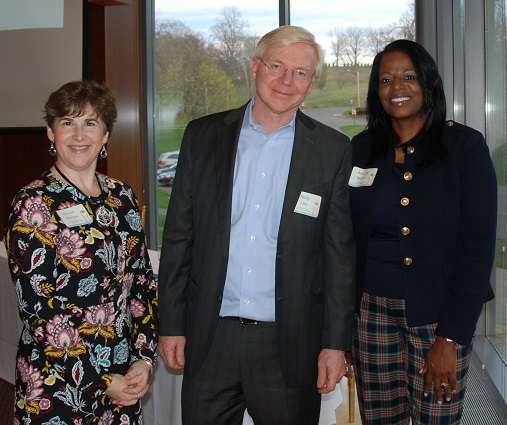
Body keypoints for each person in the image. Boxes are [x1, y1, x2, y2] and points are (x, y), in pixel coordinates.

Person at [157, 25, 355, 425]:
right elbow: (179, 237)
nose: (287, 81)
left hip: (288, 344)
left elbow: (339, 257)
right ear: (254, 67)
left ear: (312, 82)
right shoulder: (204, 136)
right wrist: (171, 324)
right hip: (210, 337)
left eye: (301, 72)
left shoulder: (333, 150)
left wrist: (334, 343)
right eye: (277, 66)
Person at [348, 39, 497, 424]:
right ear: (376, 91)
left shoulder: (463, 146)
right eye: (385, 79)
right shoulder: (361, 150)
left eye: (408, 77)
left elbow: (478, 249)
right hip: (370, 317)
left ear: (427, 83)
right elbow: (344, 240)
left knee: (437, 418)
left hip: (438, 317)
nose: (396, 87)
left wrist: (450, 338)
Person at [4, 80, 159, 424]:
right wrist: (102, 381)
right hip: (57, 382)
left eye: (90, 123)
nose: (78, 135)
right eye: (67, 123)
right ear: (50, 132)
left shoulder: (122, 198)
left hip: (123, 375)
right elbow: (39, 311)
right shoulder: (33, 204)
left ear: (105, 135)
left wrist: (144, 360)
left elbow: (141, 286)